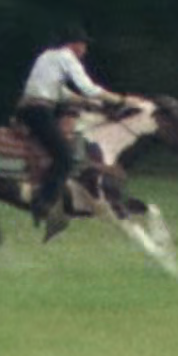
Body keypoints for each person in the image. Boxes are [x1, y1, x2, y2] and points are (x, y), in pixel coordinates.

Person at [15, 25, 123, 228]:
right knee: (65, 157)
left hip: (30, 109)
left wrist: (86, 102)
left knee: (57, 146)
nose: (85, 50)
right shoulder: (67, 57)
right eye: (84, 45)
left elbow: (61, 92)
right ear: (75, 44)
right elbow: (89, 88)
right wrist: (119, 99)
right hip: (39, 110)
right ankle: (43, 202)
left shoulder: (47, 56)